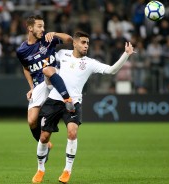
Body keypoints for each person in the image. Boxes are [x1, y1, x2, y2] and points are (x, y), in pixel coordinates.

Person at [31, 31, 135, 183]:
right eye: (83, 42)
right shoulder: (62, 54)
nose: (86, 46)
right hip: (54, 100)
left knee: (72, 133)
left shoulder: (90, 63)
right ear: (75, 43)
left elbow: (111, 70)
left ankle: (67, 170)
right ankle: (40, 170)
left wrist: (126, 55)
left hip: (74, 102)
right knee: (44, 137)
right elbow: (45, 64)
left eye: (87, 43)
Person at [16, 15, 75, 156]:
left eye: (43, 26)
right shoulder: (22, 51)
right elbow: (26, 68)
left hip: (54, 78)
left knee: (47, 70)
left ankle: (67, 99)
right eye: (39, 26)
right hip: (39, 85)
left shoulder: (48, 39)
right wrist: (31, 87)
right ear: (30, 28)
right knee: (31, 121)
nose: (43, 29)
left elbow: (69, 40)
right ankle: (45, 146)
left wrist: (54, 33)